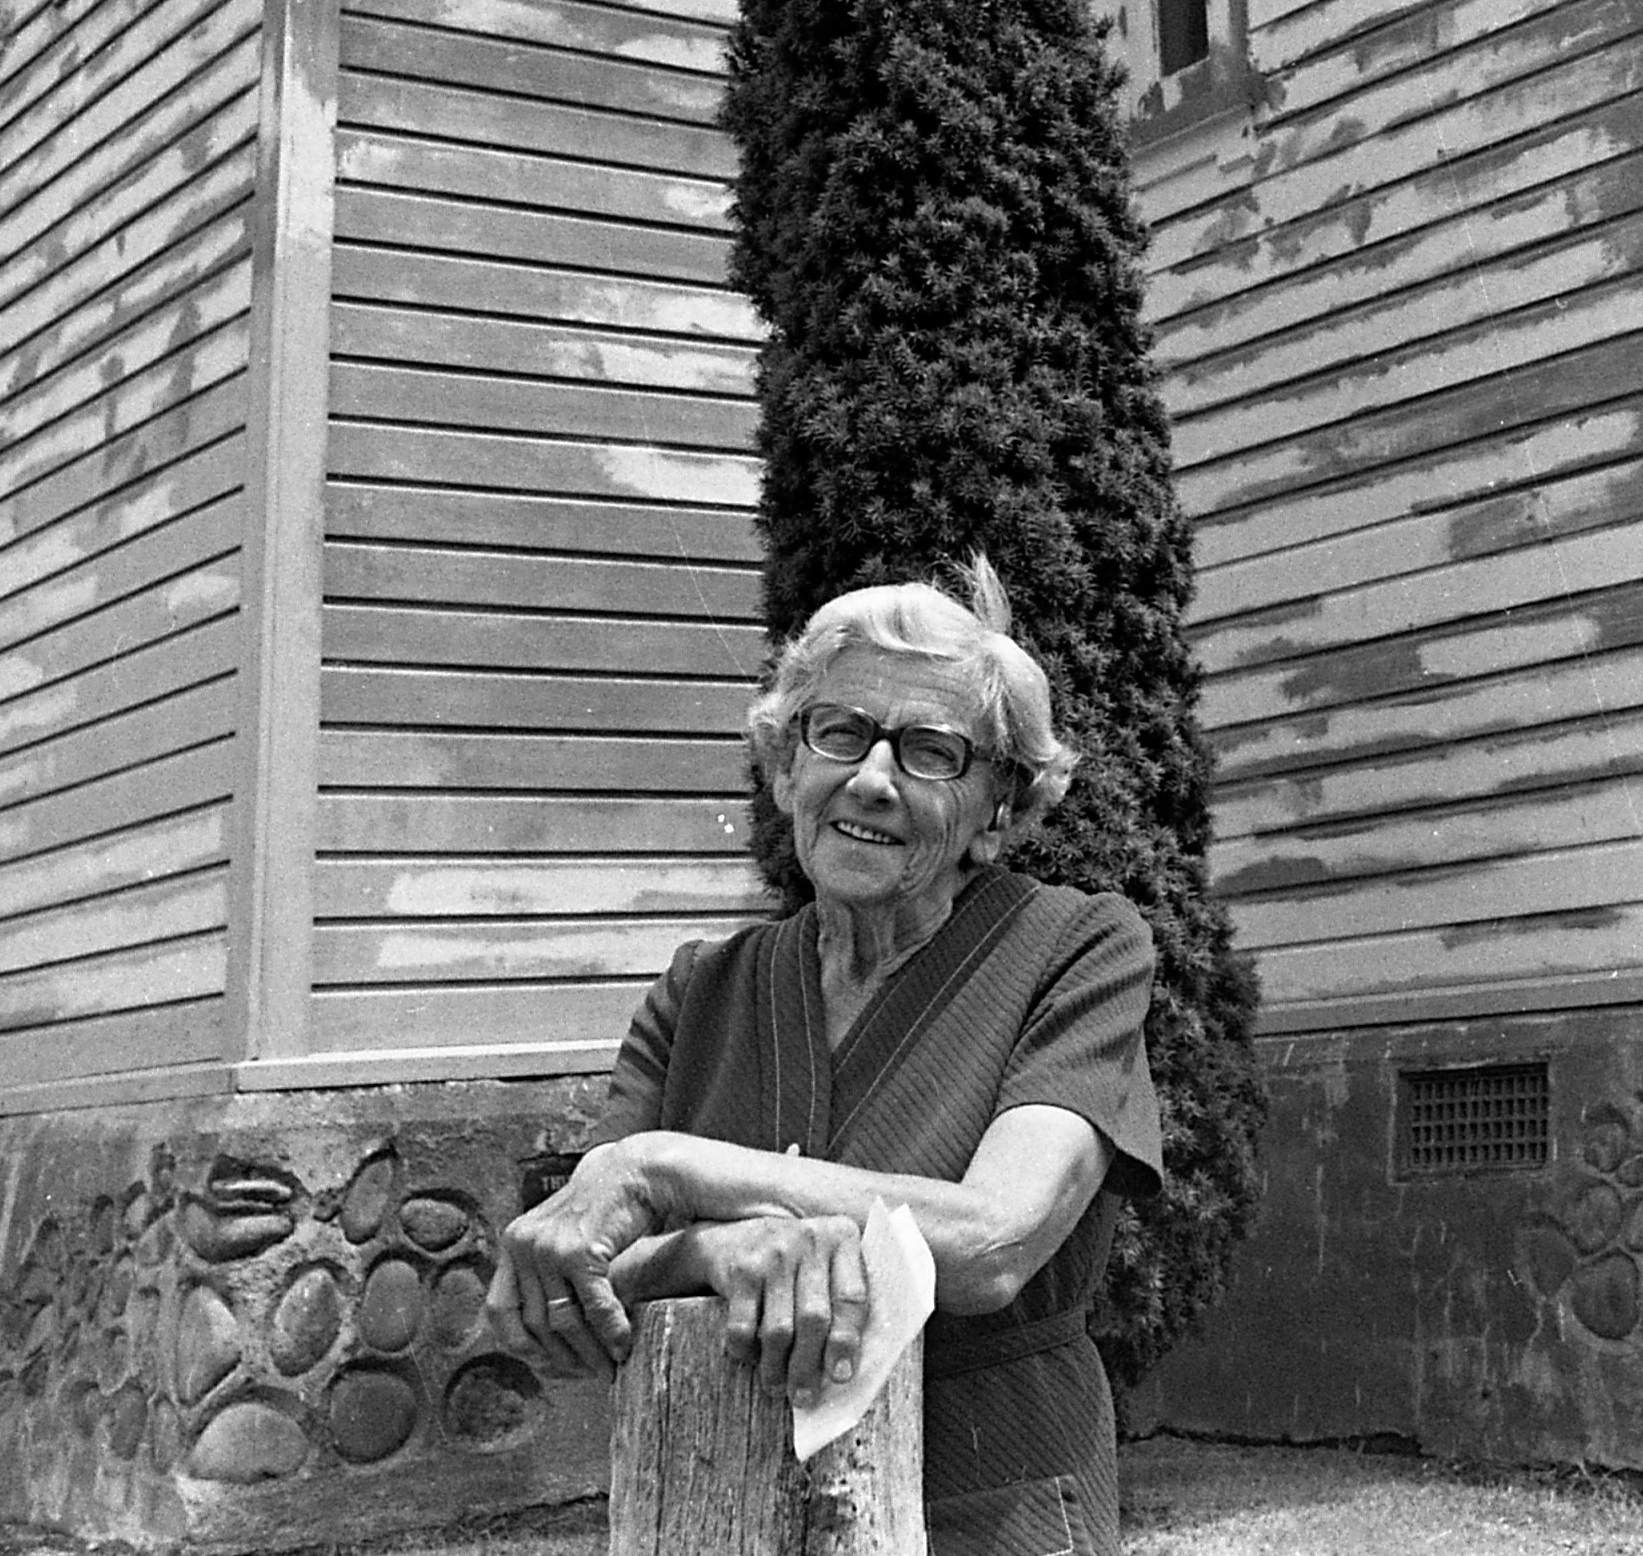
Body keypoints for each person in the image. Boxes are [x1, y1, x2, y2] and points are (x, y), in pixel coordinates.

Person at [494, 571, 1162, 1556]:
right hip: (718, 1501)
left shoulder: (1075, 950)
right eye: (838, 733)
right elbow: (565, 1275)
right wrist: (709, 1254)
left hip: (990, 1501)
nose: (872, 780)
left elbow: (991, 1242)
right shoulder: (703, 992)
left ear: (1000, 809)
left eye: (931, 752)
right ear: (782, 768)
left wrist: (669, 1168)